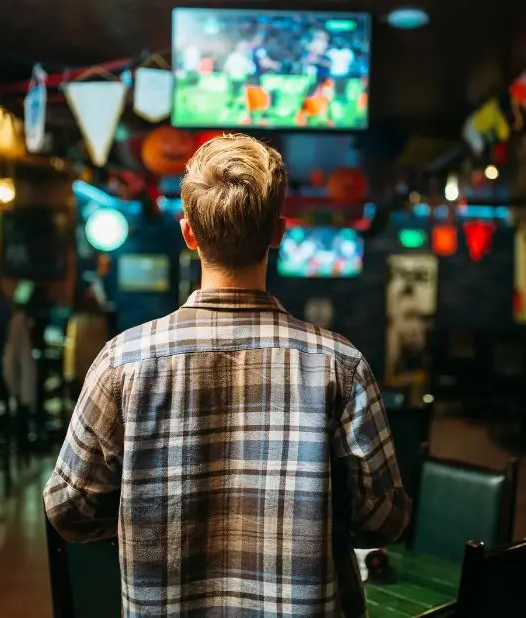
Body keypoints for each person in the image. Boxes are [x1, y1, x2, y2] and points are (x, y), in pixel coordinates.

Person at [44, 134, 410, 618]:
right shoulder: (339, 364)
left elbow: (68, 510)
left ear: (189, 233)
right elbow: (384, 518)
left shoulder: (123, 362)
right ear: (278, 232)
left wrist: (145, 513)